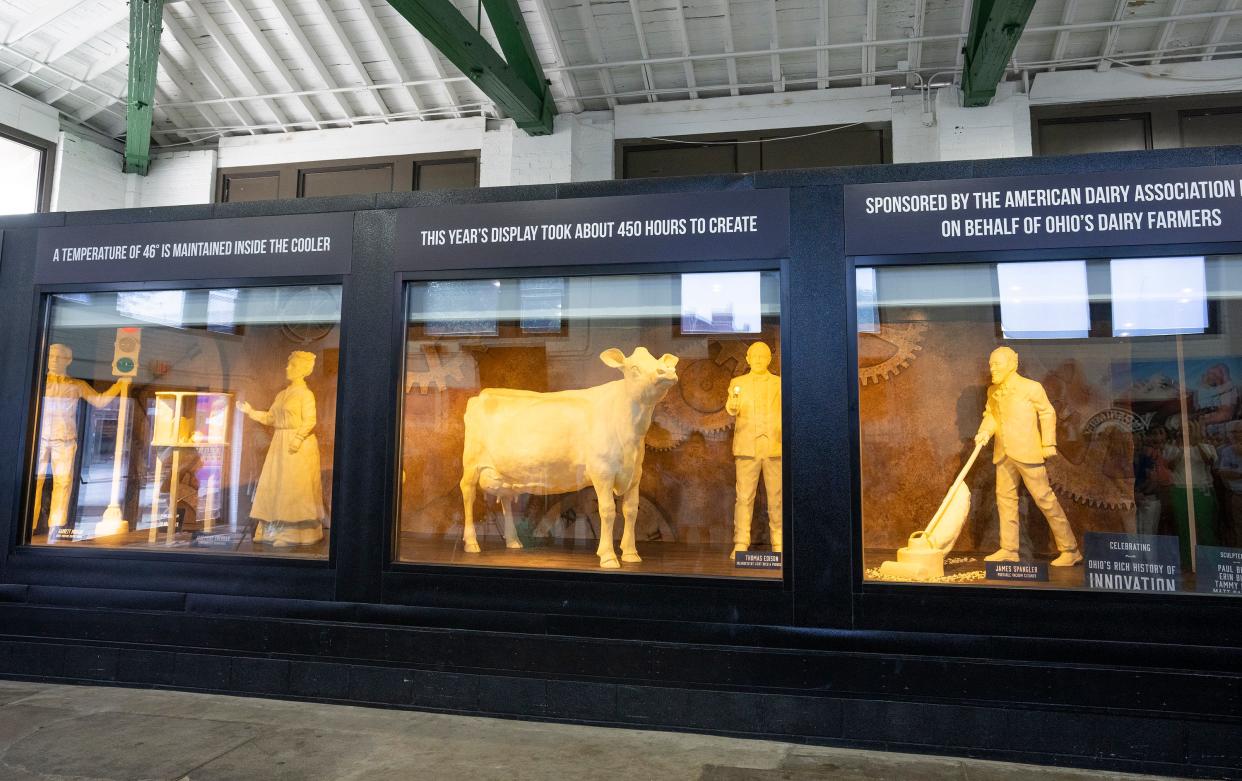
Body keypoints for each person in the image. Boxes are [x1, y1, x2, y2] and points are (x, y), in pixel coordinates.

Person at [975, 347, 1081, 566]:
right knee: (1004, 501)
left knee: (1045, 499)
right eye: (990, 364)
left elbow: (1047, 412)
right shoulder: (993, 391)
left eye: (997, 364)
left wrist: (1048, 443)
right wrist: (985, 431)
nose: (992, 368)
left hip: (1027, 452)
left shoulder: (1031, 387)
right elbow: (991, 416)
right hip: (1002, 454)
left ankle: (1070, 549)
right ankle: (1009, 548)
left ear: (1012, 364)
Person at [32, 344, 129, 538]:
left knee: (63, 482)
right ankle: (29, 524)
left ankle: (56, 526)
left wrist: (119, 385)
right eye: (50, 356)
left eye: (58, 357)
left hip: (65, 438)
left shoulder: (76, 385)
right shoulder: (38, 383)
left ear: (68, 361)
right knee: (35, 481)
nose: (53, 360)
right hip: (39, 437)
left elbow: (100, 401)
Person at [237, 351, 324, 547]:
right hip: (279, 442)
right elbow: (271, 418)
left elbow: (310, 420)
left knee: (294, 487)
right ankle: (270, 529)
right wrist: (250, 412)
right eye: (288, 364)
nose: (287, 368)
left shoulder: (305, 394)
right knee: (275, 485)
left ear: (302, 370)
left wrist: (298, 438)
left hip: (297, 445)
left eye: (292, 365)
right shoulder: (282, 394)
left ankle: (294, 532)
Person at [726, 342, 782, 555]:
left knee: (776, 497)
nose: (759, 360)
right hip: (747, 446)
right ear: (748, 359)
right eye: (755, 357)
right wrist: (734, 402)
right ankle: (741, 542)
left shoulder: (779, 383)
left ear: (770, 359)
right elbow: (731, 408)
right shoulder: (737, 383)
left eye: (763, 356)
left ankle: (779, 541)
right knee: (744, 497)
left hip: (774, 445)